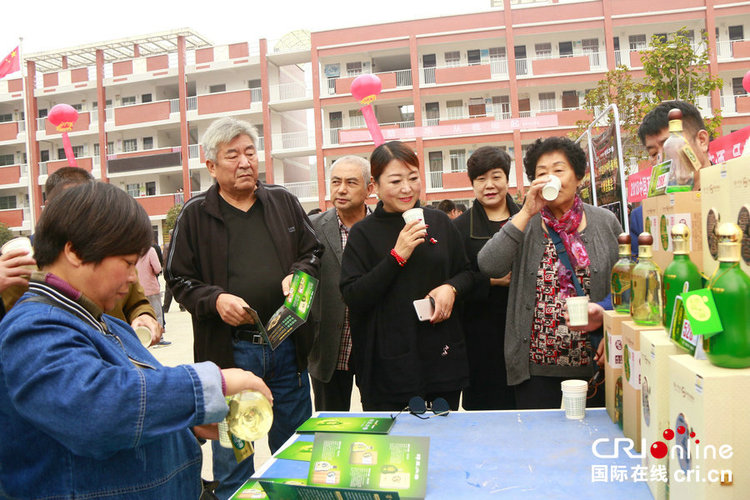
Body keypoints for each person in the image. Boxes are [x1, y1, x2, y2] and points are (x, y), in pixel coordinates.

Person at [0, 181, 272, 499]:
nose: (133, 278)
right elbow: (96, 411)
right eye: (128, 264)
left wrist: (188, 423)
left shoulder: (108, 324)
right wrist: (212, 384)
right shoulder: (34, 329)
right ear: (73, 251)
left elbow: (134, 408)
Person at [165, 117, 322, 499]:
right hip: (231, 354)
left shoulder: (283, 202)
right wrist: (215, 299)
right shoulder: (196, 214)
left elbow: (313, 251)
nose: (245, 162)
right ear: (212, 166)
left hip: (286, 346)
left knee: (299, 453)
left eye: (250, 152)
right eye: (232, 155)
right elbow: (179, 279)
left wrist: (298, 275)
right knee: (233, 457)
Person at [477, 137, 622, 409]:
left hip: (594, 365)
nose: (550, 178)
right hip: (536, 371)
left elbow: (627, 290)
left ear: (579, 176)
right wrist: (526, 212)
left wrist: (607, 322)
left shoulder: (605, 222)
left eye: (558, 170)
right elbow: (489, 264)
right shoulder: (526, 224)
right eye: (542, 173)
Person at [340, 141, 473, 411]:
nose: (406, 188)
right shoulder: (363, 233)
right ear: (374, 187)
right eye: (395, 180)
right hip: (388, 366)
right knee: (396, 448)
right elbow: (354, 295)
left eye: (413, 178)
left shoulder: (440, 222)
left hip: (442, 357)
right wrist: (397, 256)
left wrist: (451, 288)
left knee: (444, 442)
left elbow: (468, 273)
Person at [0, 167, 163, 345]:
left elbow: (137, 303)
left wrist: (144, 316)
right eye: (72, 206)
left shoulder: (112, 256)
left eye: (91, 208)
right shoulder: (19, 264)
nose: (82, 217)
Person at [453, 146, 520, 410]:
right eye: (481, 179)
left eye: (496, 177)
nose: (489, 185)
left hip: (522, 331)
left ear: (507, 179)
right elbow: (454, 278)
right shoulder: (459, 227)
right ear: (472, 184)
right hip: (478, 335)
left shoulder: (529, 218)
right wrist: (492, 281)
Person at [308, 155, 373, 411]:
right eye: (336, 182)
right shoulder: (312, 228)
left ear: (369, 188)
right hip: (327, 344)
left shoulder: (385, 227)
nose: (341, 189)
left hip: (373, 344)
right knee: (330, 428)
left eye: (351, 182)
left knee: (381, 421)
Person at [630, 100, 711, 256]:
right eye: (654, 154)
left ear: (701, 140)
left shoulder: (735, 194)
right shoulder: (642, 217)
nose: (663, 158)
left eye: (670, 145)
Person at [136, 245, 168, 345]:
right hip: (151, 287)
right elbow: (157, 268)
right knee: (157, 314)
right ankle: (159, 338)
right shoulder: (150, 250)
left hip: (139, 288)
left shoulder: (133, 250)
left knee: (143, 314)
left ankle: (145, 338)